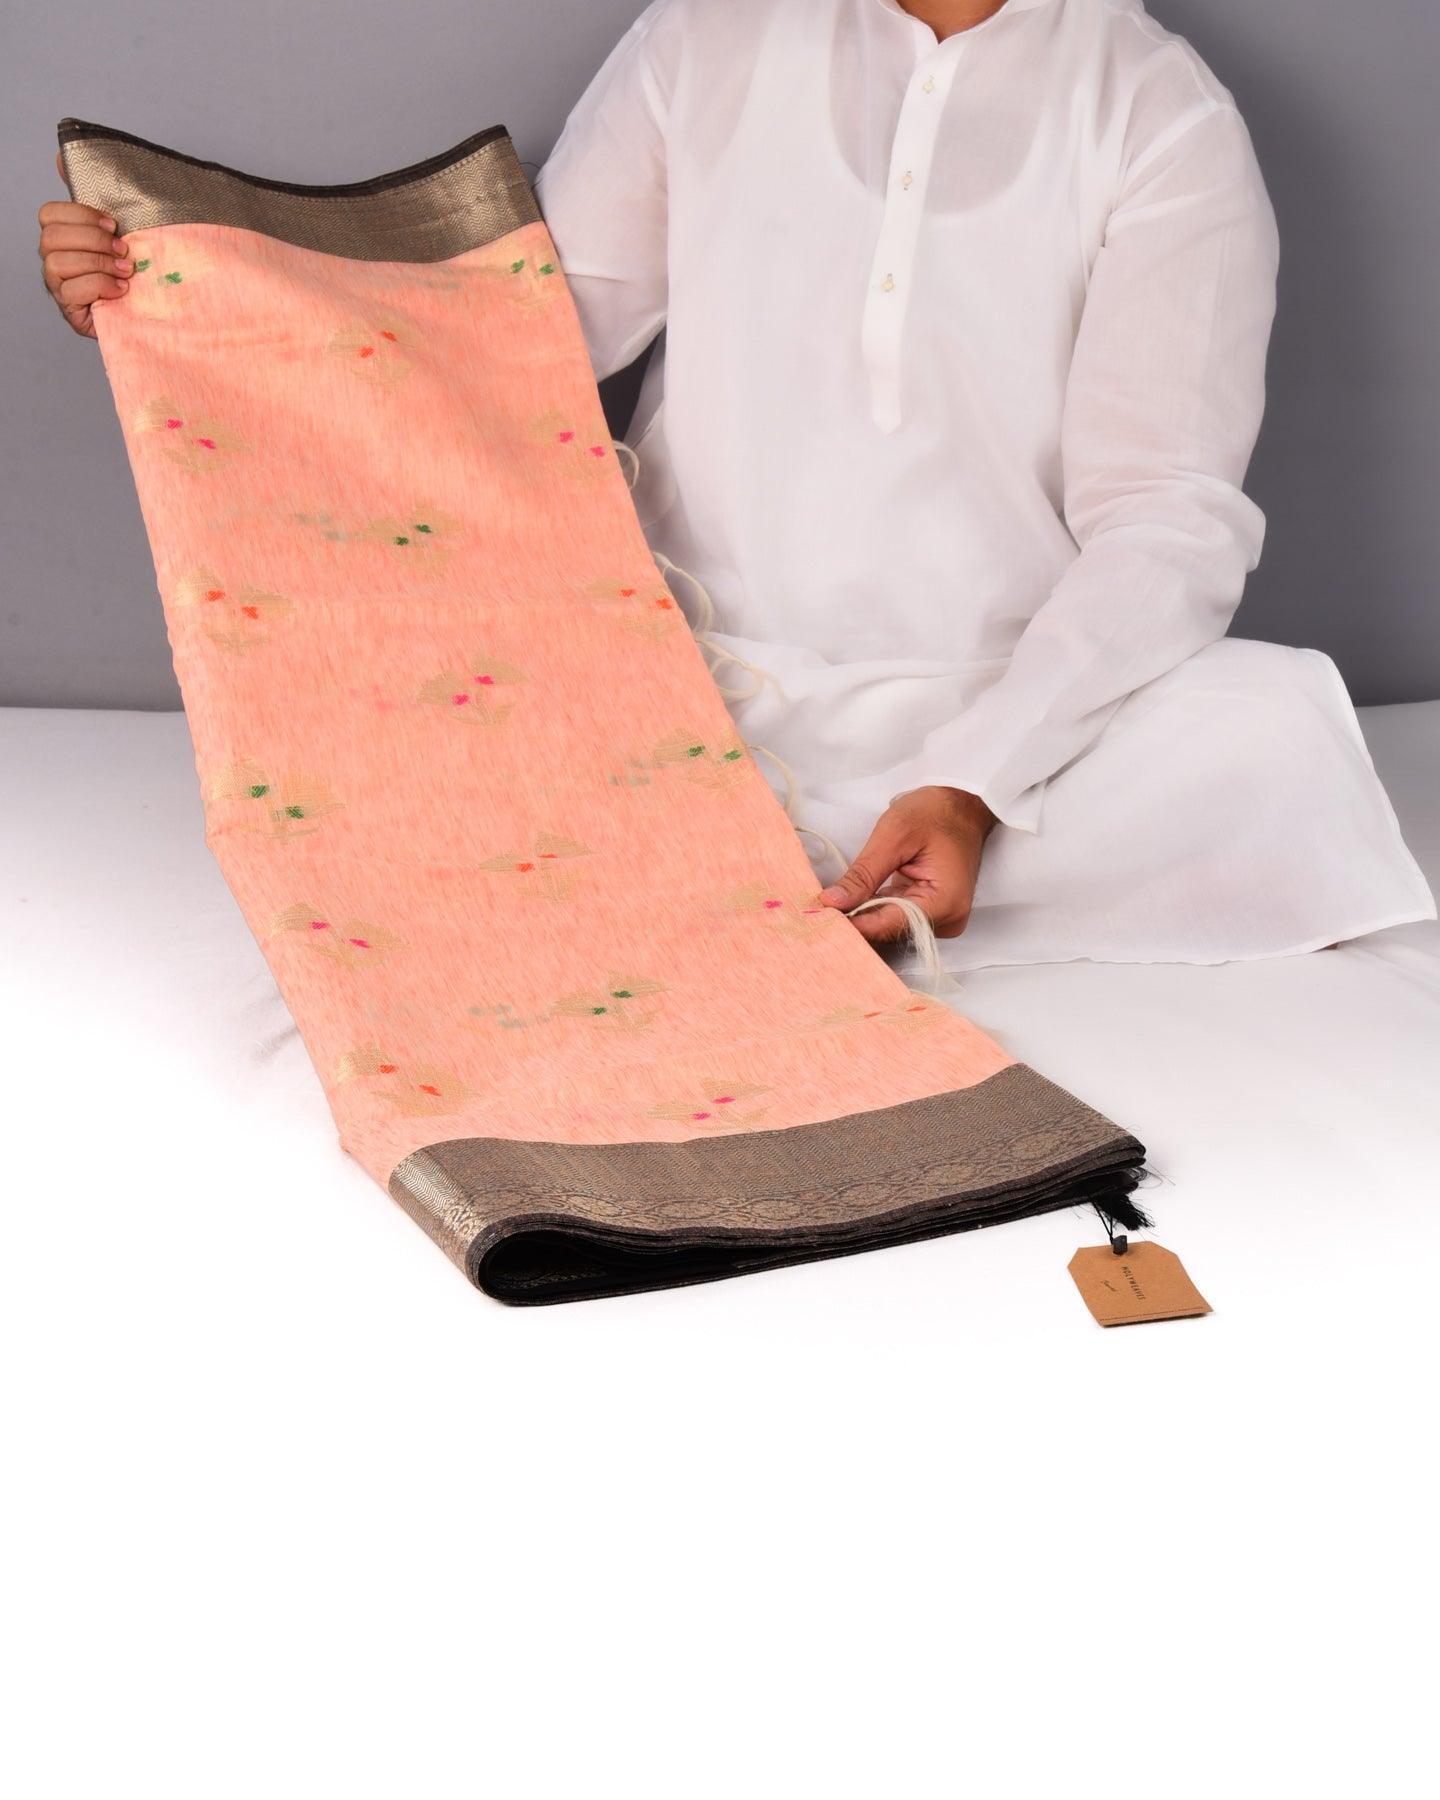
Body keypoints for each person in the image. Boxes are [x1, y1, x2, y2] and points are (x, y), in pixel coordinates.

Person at [39, 0, 1436, 969]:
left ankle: (782, 865)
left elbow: (1167, 515)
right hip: (675, 685)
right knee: (404, 705)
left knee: (1274, 744)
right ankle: (756, 856)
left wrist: (972, 782)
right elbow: (513, 341)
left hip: (1000, 721)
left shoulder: (1157, 111)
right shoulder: (709, 34)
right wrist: (176, 302)